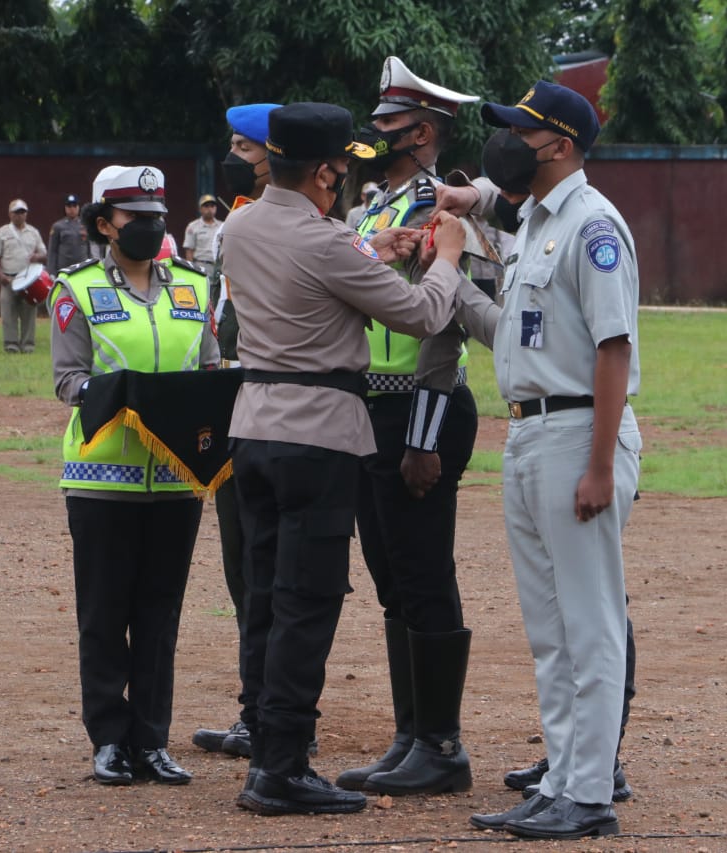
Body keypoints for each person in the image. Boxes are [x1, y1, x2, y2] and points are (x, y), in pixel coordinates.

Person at [223, 101, 465, 816]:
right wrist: (445, 259)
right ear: (327, 170)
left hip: (256, 423)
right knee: (307, 601)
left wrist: (377, 246)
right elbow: (421, 315)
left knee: (263, 596)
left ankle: (265, 745)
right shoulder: (328, 241)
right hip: (319, 431)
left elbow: (321, 261)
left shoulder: (239, 224)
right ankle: (285, 766)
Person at [442, 81, 643, 840]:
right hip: (529, 434)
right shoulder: (536, 222)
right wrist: (466, 205)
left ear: (559, 144)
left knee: (589, 625)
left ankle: (589, 792)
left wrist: (599, 464)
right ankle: (560, 779)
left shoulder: (594, 225)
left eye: (523, 132)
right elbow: (500, 207)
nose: (508, 143)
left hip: (577, 434)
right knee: (550, 629)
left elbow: (612, 347)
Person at [334, 55, 481, 799]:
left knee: (424, 576)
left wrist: (422, 433)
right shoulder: (377, 208)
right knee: (392, 579)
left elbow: (444, 328)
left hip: (420, 410)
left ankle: (442, 743)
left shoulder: (437, 208)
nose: (375, 135)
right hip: (372, 408)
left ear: (420, 131)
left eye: (388, 125)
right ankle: (410, 733)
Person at [49, 164, 219, 787]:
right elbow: (69, 380)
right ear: (104, 225)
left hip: (177, 481)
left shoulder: (194, 289)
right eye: (134, 218)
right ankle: (110, 741)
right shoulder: (77, 290)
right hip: (103, 479)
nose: (150, 227)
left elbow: (208, 368)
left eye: (157, 217)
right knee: (103, 613)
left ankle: (152, 741)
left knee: (159, 613)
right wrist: (127, 393)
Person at [190, 101, 281, 763]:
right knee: (239, 563)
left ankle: (277, 712)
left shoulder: (298, 227)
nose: (233, 161)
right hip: (230, 402)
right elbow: (216, 316)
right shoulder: (233, 225)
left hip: (278, 408)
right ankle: (257, 708)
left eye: (244, 149)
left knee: (273, 567)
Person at [0, 198, 47, 354]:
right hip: (9, 278)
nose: (19, 216)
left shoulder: (33, 232)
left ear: (26, 214)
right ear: (10, 214)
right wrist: (0, 276)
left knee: (29, 312)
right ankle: (11, 344)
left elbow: (44, 253)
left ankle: (28, 344)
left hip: (29, 280)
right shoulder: (3, 232)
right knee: (8, 313)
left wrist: (38, 257)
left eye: (22, 212)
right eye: (16, 212)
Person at [46, 194, 89, 275]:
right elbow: (52, 251)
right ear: (65, 208)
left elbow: (90, 248)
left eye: (74, 206)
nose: (72, 209)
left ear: (78, 207)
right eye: (69, 206)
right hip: (64, 268)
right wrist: (51, 272)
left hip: (82, 268)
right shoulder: (58, 226)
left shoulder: (85, 225)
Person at [182, 194, 222, 279]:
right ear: (200, 209)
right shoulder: (193, 226)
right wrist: (191, 270)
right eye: (206, 206)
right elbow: (189, 251)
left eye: (212, 206)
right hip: (201, 266)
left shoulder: (222, 226)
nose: (210, 209)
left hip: (219, 267)